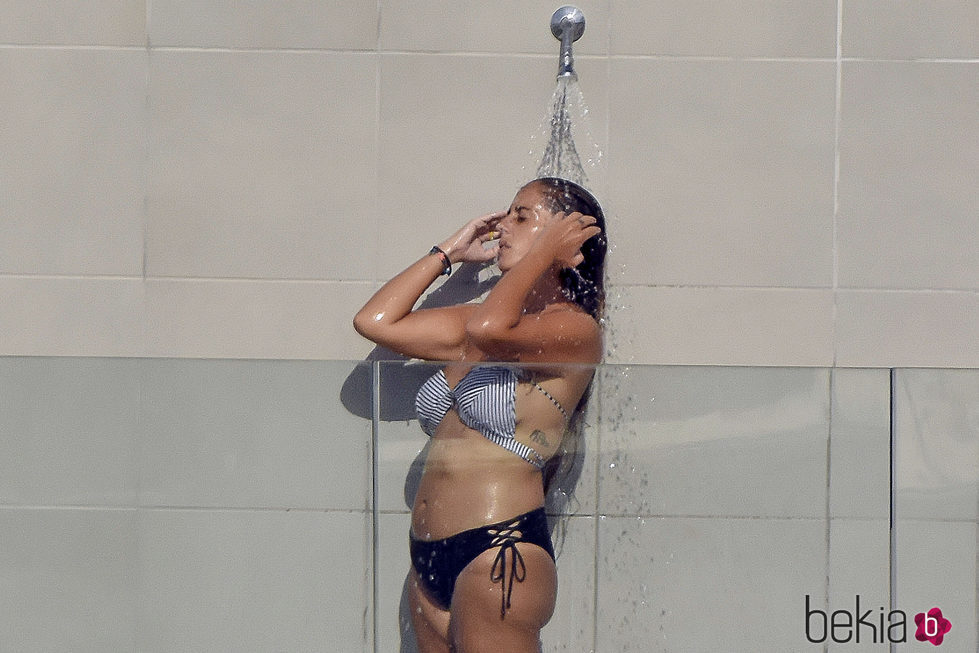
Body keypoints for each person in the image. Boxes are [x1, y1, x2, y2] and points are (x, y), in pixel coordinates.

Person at [353, 176, 607, 653]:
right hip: (429, 557)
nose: (503, 225)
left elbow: (491, 330)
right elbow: (375, 322)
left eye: (522, 216)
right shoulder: (477, 325)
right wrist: (449, 252)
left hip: (499, 553)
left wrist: (541, 254)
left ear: (562, 238)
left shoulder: (573, 330)